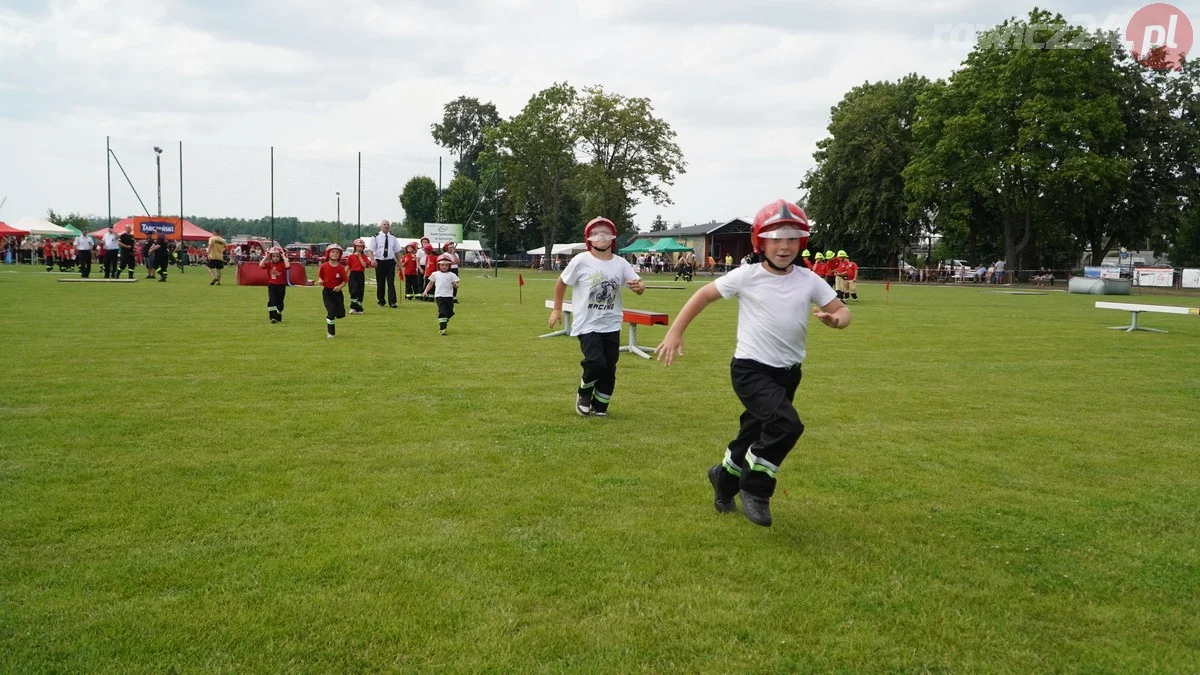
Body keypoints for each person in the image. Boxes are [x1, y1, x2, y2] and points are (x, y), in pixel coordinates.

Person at [654, 199, 851, 527]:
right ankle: (756, 490)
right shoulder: (746, 276)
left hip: (788, 373)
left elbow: (842, 310)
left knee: (753, 433)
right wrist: (675, 331)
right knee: (787, 425)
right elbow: (703, 295)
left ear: (801, 242)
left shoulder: (809, 279)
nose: (784, 246)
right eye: (776, 238)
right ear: (761, 241)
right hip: (750, 369)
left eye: (791, 238)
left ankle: (723, 479)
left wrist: (837, 320)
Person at [548, 216, 645, 417]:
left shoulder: (621, 263)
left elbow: (637, 284)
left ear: (613, 238)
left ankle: (600, 405)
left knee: (609, 367)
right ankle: (584, 394)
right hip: (587, 323)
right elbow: (561, 282)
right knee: (595, 362)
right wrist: (557, 309)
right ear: (589, 239)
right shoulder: (581, 261)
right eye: (596, 233)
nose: (601, 237)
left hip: (611, 323)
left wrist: (640, 287)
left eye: (606, 233)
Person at [423, 254, 460, 335]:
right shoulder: (435, 274)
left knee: (450, 312)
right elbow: (430, 283)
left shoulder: (452, 275)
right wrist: (425, 291)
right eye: (442, 265)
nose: (444, 266)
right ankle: (443, 329)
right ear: (438, 265)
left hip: (449, 297)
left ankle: (443, 321)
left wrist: (455, 285)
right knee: (442, 312)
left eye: (446, 265)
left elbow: (457, 286)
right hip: (439, 296)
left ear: (449, 265)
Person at [367, 220, 402, 308]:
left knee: (391, 282)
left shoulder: (393, 237)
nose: (386, 226)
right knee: (380, 282)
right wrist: (372, 260)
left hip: (390, 261)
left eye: (387, 225)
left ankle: (392, 302)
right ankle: (381, 301)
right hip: (379, 261)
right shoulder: (375, 237)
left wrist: (399, 262)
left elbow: (397, 251)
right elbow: (370, 250)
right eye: (384, 224)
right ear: (381, 226)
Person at [319, 244, 348, 337]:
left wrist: (339, 287)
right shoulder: (324, 266)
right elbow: (320, 276)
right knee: (331, 311)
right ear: (328, 254)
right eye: (332, 252)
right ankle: (330, 332)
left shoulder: (341, 268)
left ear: (340, 255)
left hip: (337, 293)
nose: (335, 254)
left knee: (340, 314)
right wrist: (320, 280)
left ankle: (337, 314)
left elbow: (345, 280)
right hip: (327, 292)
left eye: (337, 253)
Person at [260, 246, 290, 322]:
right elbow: (261, 265)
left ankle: (278, 315)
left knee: (280, 303)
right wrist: (266, 256)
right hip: (272, 285)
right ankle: (273, 317)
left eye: (277, 256)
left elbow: (288, 266)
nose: (275, 258)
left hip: (281, 286)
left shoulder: (282, 264)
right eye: (273, 256)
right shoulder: (269, 264)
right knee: (272, 301)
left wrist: (283, 256)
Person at [345, 238, 373, 314]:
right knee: (354, 290)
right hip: (353, 274)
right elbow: (348, 267)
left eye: (361, 246)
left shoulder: (364, 256)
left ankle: (359, 308)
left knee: (360, 291)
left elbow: (364, 265)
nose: (360, 248)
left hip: (360, 275)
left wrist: (359, 257)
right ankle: (353, 307)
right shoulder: (351, 256)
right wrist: (344, 275)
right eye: (358, 246)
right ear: (355, 247)